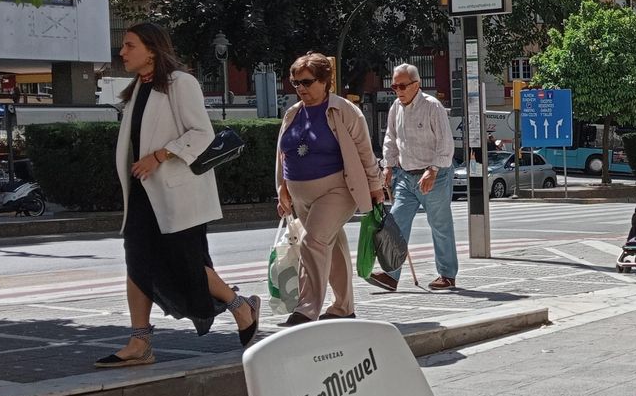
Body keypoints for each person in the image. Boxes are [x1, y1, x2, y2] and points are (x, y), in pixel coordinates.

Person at [98, 23, 259, 368]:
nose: (122, 52)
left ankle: (239, 306)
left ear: (152, 50)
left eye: (129, 45)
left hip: (176, 192)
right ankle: (140, 341)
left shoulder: (180, 84)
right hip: (142, 194)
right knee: (136, 262)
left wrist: (159, 156)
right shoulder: (136, 90)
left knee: (187, 265)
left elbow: (202, 133)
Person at [275, 53, 385, 326]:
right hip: (300, 194)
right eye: (295, 83)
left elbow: (364, 151)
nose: (300, 88)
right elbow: (282, 153)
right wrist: (281, 188)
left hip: (337, 189)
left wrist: (375, 186)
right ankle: (344, 306)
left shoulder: (344, 110)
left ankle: (306, 308)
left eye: (307, 82)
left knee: (313, 242)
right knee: (331, 245)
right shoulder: (293, 113)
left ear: (325, 81)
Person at [370, 63, 457, 291]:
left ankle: (447, 275)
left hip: (434, 175)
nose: (398, 90)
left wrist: (434, 169)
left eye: (402, 85)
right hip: (406, 176)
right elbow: (391, 138)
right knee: (396, 224)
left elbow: (445, 142)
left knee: (440, 225)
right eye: (394, 86)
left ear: (416, 85)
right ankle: (391, 275)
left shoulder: (432, 106)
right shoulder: (395, 108)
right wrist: (387, 166)